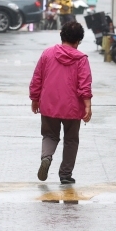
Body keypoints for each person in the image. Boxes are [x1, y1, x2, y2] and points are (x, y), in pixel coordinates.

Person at [29, 21, 93, 184]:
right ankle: (65, 174)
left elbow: (37, 78)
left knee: (49, 135)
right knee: (71, 140)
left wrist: (35, 98)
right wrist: (87, 105)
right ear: (78, 40)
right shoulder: (81, 59)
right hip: (72, 108)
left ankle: (47, 157)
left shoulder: (47, 54)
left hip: (49, 104)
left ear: (61, 35)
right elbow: (84, 83)